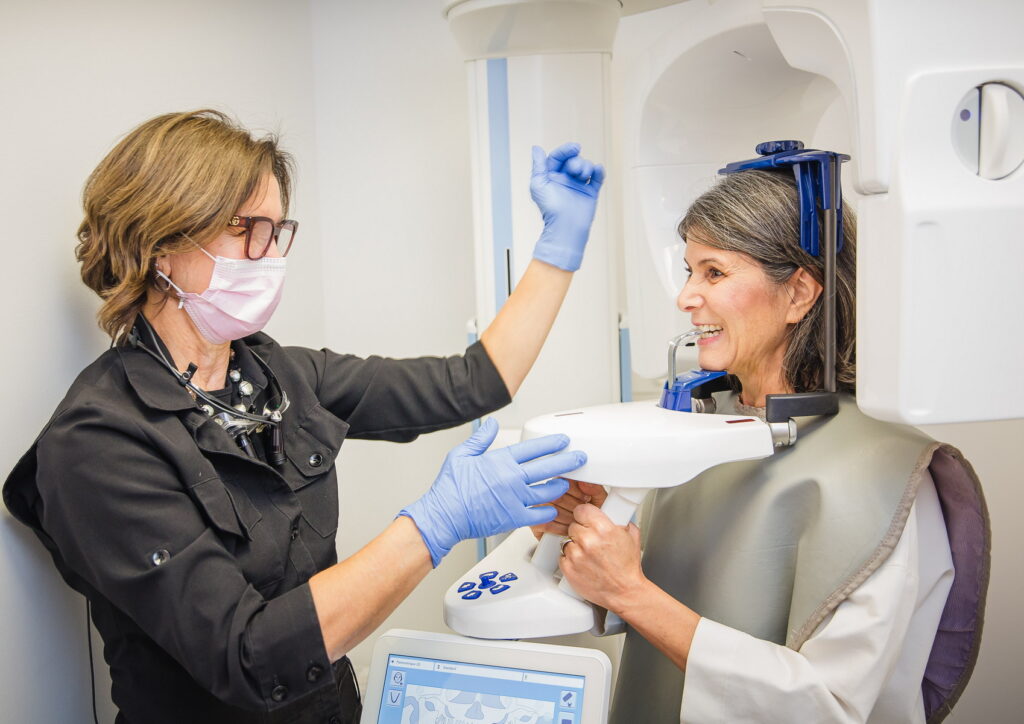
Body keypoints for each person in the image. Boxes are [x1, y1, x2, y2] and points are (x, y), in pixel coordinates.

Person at [2, 109, 606, 724]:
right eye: (247, 229)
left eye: (275, 230)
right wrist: (436, 523)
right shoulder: (99, 441)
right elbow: (248, 657)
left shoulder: (279, 376)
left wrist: (558, 250)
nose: (267, 257)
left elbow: (476, 380)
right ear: (158, 244)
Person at [551, 167, 989, 723]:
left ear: (798, 294)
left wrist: (631, 592)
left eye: (714, 272)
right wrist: (588, 542)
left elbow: (825, 707)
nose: (686, 297)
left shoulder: (887, 473)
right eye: (690, 271)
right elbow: (646, 602)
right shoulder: (697, 433)